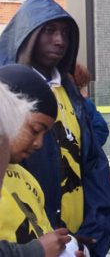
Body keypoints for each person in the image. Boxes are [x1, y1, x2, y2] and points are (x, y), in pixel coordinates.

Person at [0, 0, 110, 257]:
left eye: (65, 33)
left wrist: (92, 237)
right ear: (28, 35)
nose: (60, 40)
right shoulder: (6, 91)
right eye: (49, 31)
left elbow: (93, 163)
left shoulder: (72, 93)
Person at [0, 64, 78, 257]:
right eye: (35, 130)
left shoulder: (27, 177)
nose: (39, 143)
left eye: (45, 134)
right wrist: (37, 251)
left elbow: (43, 232)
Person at [71, 64, 108, 147]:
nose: (85, 93)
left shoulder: (86, 104)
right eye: (79, 87)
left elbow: (101, 129)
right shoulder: (85, 103)